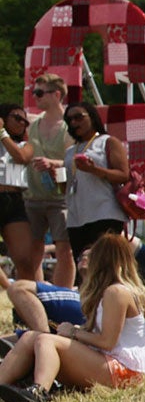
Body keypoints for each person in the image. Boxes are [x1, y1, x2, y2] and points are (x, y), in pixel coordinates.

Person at [0, 232, 145, 402]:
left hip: (125, 373)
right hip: (111, 365)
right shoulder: (110, 291)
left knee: (46, 340)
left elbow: (108, 342)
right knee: (30, 337)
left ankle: (39, 392)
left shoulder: (116, 292)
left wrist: (74, 333)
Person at [21, 74, 75, 287]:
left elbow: (74, 161)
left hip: (60, 197)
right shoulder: (33, 123)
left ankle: (63, 295)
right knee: (32, 250)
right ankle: (36, 294)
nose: (35, 97)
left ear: (57, 95)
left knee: (64, 249)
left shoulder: (68, 126)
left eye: (40, 93)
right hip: (32, 196)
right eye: (34, 92)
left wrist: (52, 162)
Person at [62, 104, 128, 264]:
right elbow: (66, 189)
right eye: (69, 119)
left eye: (79, 117)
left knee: (104, 263)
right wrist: (55, 177)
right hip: (76, 216)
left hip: (104, 211)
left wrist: (94, 169)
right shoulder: (71, 151)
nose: (74, 123)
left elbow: (123, 175)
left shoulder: (108, 142)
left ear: (92, 117)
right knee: (82, 264)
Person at [0, 103, 36, 280]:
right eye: (17, 118)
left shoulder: (26, 145)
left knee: (24, 259)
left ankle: (25, 302)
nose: (22, 123)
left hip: (14, 200)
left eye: (25, 121)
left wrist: (2, 134)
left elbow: (21, 157)